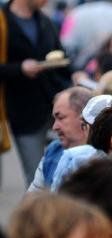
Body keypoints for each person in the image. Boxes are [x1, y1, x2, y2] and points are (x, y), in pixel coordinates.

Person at [0, 0, 72, 185]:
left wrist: (73, 74)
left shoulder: (45, 21)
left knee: (62, 171)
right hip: (21, 111)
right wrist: (19, 68)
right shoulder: (3, 21)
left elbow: (61, 56)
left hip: (52, 104)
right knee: (36, 177)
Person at [50, 94, 112, 190]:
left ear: (89, 127)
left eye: (84, 125)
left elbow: (57, 196)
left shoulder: (73, 157)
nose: (54, 127)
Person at [27, 86, 92, 192]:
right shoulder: (53, 151)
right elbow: (33, 198)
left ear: (84, 117)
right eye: (55, 119)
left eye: (61, 118)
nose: (54, 127)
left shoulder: (106, 157)